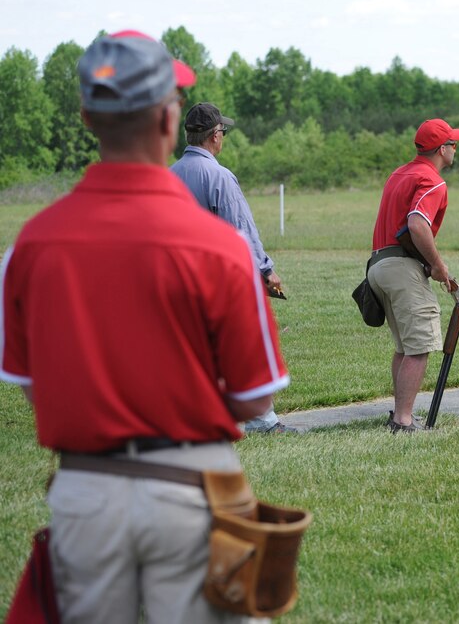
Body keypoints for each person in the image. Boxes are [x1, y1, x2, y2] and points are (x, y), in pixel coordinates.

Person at [0, 31, 290, 623]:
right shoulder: (222, 248)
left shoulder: (29, 246)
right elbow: (253, 396)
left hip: (84, 492)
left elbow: (33, 384)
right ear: (168, 116)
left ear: (86, 116)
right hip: (193, 489)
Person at [171, 102, 294, 434]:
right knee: (246, 348)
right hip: (216, 282)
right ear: (215, 136)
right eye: (222, 132)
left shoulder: (167, 177)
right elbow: (241, 230)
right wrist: (266, 271)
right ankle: (262, 421)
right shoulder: (219, 176)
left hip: (176, 283)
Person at [369, 118, 459, 433]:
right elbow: (417, 223)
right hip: (401, 268)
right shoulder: (433, 181)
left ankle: (399, 413)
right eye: (452, 143)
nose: (455, 147)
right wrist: (437, 264)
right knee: (420, 346)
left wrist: (431, 263)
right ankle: (403, 420)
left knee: (404, 347)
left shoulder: (400, 173)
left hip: (378, 264)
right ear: (441, 149)